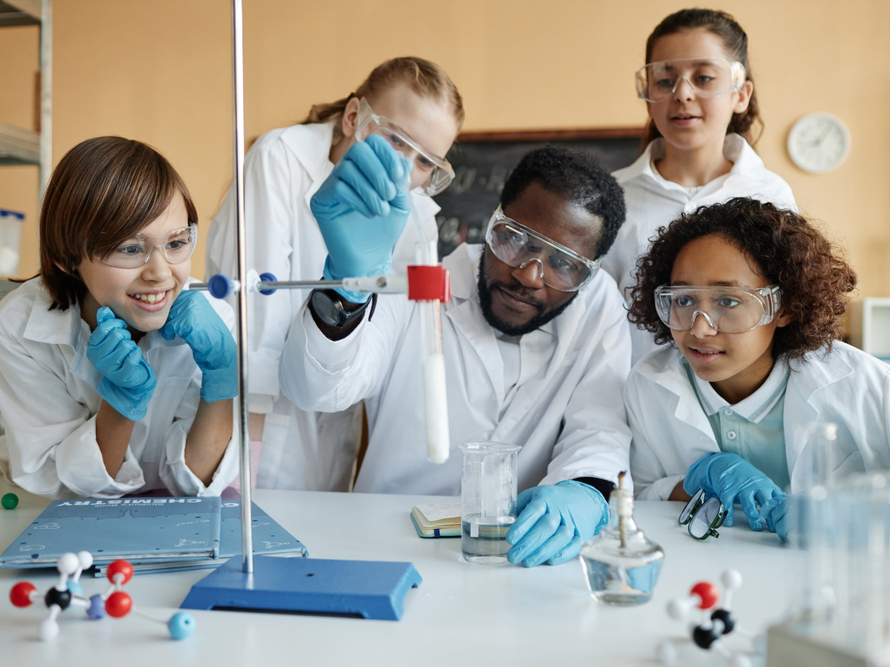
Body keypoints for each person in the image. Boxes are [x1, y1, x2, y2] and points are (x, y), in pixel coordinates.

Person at [280, 144, 632, 567]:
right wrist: (343, 285)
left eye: (564, 263)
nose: (528, 275)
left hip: (518, 556)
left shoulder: (597, 308)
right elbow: (314, 388)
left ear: (589, 272)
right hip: (383, 547)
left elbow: (600, 425)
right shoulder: (418, 283)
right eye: (516, 240)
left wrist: (585, 490)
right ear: (493, 220)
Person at [205, 56, 464, 492]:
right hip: (248, 429)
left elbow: (370, 358)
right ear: (353, 117)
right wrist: (242, 467)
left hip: (331, 431)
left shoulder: (417, 219)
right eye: (397, 141)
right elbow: (254, 325)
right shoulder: (279, 158)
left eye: (425, 162)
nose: (404, 170)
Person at [625, 198, 890, 540]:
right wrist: (696, 479)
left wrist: (844, 514)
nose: (700, 328)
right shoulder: (649, 384)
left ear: (785, 307)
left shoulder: (863, 383)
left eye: (728, 301)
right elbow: (640, 494)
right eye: (684, 299)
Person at [0, 136, 239, 499]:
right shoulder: (19, 327)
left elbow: (197, 482)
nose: (160, 272)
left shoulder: (214, 319)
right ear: (66, 257)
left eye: (175, 243)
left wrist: (221, 376)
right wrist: (122, 402)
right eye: (130, 248)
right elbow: (62, 485)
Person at [601, 8, 797, 365]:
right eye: (664, 79)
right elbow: (591, 319)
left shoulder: (770, 195)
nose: (682, 93)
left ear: (741, 94)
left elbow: (782, 317)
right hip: (631, 402)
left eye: (704, 77)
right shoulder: (612, 197)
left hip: (736, 401)